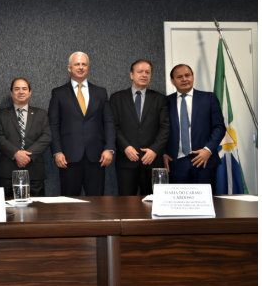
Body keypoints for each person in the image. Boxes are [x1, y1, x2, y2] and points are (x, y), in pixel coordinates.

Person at [48, 52, 115, 196]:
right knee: (69, 202)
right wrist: (57, 151)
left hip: (97, 156)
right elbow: (53, 125)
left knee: (97, 203)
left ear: (88, 67)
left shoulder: (100, 92)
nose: (80, 67)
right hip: (68, 157)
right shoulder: (58, 93)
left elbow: (108, 121)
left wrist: (109, 148)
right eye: (77, 64)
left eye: (84, 64)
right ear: (69, 68)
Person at [109, 60, 170, 196]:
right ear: (131, 75)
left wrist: (154, 150)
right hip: (126, 161)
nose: (144, 75)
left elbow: (165, 128)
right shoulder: (116, 98)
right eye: (140, 72)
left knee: (153, 204)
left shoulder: (160, 99)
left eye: (147, 72)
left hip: (152, 161)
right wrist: (125, 147)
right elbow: (113, 126)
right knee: (126, 204)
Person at [163, 64, 226, 191]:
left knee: (205, 205)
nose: (184, 79)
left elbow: (219, 127)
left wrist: (208, 149)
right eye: (179, 77)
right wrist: (163, 152)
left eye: (187, 75)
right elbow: (160, 129)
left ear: (193, 77)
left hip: (204, 161)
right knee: (178, 206)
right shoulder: (165, 102)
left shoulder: (209, 98)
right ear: (172, 81)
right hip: (176, 163)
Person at [0, 78, 52, 197]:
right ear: (11, 93)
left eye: (24, 89)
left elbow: (46, 136)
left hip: (34, 170)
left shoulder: (41, 114)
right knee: (8, 210)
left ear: (30, 92)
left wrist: (27, 156)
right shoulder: (1, 114)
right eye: (17, 89)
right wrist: (16, 153)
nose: (21, 92)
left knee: (37, 210)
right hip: (8, 171)